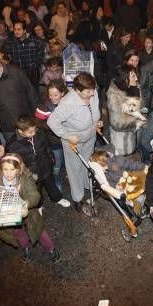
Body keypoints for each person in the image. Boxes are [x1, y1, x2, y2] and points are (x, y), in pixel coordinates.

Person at [47, 73, 102, 216]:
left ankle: (86, 185)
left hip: (90, 137)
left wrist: (96, 122)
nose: (92, 93)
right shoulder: (68, 103)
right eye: (88, 91)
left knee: (86, 164)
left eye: (93, 89)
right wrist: (67, 136)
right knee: (74, 168)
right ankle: (77, 198)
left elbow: (94, 111)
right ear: (77, 90)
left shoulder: (93, 92)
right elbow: (52, 122)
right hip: (73, 141)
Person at [0, 154, 61, 263]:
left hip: (29, 212)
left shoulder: (25, 177)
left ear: (19, 169)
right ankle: (25, 247)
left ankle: (50, 248)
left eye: (12, 169)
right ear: (1, 169)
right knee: (18, 233)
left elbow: (35, 195)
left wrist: (26, 205)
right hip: (10, 214)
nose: (8, 173)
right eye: (5, 169)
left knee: (39, 230)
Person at [5, 114, 71, 208]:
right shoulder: (13, 145)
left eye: (34, 130)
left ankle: (57, 198)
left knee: (51, 185)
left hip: (45, 166)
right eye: (30, 132)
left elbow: (47, 147)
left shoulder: (39, 133)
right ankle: (38, 205)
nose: (34, 133)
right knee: (35, 190)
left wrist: (51, 158)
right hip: (30, 173)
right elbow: (13, 163)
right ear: (20, 131)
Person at [35, 79, 68, 192]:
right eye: (50, 94)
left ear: (62, 93)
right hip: (54, 141)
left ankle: (69, 176)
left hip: (69, 139)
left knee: (68, 161)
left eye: (56, 95)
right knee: (57, 164)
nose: (52, 97)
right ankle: (57, 181)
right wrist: (53, 125)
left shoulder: (69, 103)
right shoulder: (44, 106)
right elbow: (38, 122)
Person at [3, 20, 46, 86]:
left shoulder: (35, 40)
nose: (16, 32)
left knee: (34, 92)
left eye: (19, 29)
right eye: (15, 29)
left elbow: (42, 54)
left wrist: (34, 65)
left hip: (32, 73)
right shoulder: (9, 42)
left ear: (25, 30)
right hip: (18, 73)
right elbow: (6, 56)